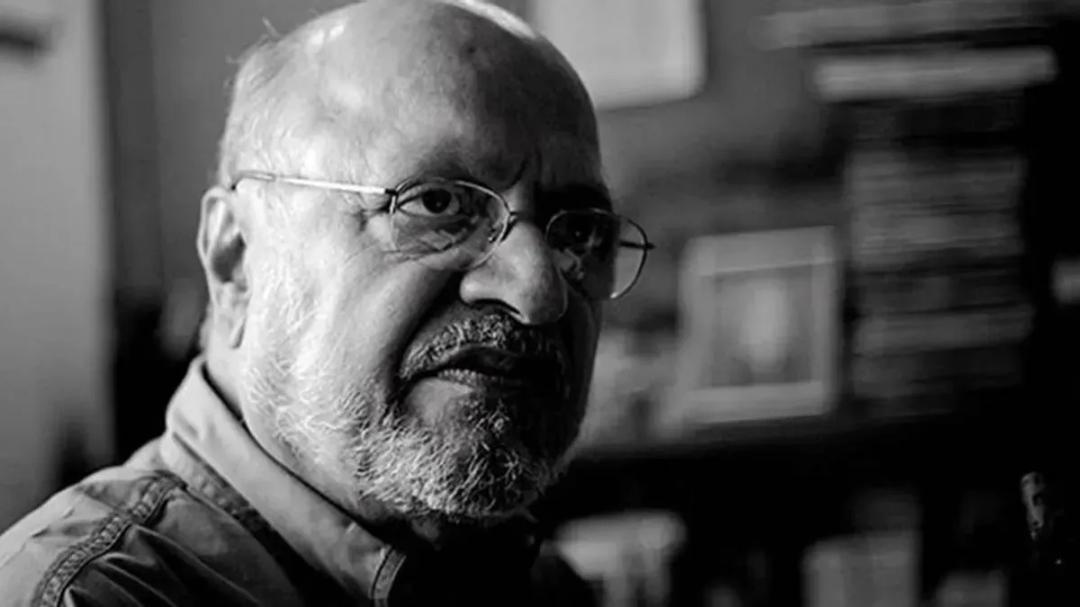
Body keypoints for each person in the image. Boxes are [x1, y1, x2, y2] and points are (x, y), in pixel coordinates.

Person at [0, 0, 652, 604]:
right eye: (437, 204)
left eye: (580, 231)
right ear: (235, 258)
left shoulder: (534, 582)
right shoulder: (83, 597)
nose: (539, 292)